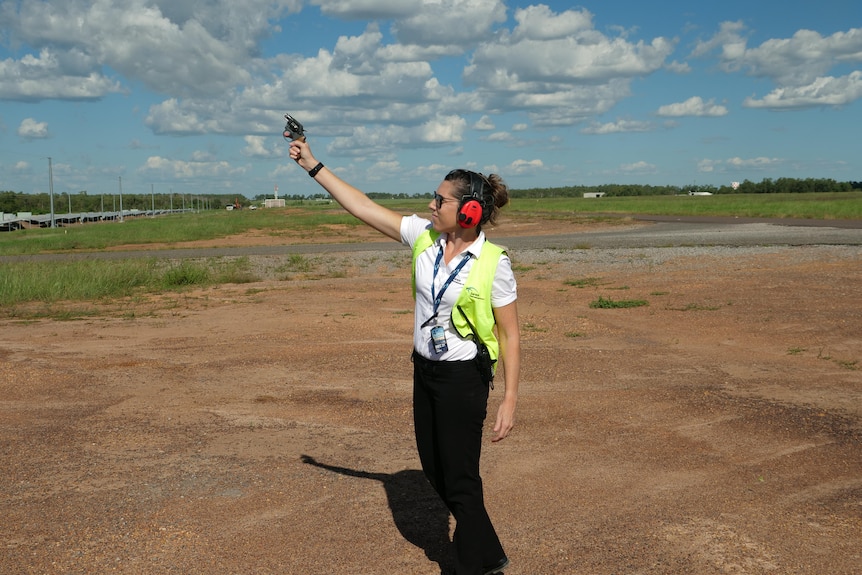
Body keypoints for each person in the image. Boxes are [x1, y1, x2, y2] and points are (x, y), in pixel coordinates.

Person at [289, 139, 520, 575]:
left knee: (461, 478)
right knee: (435, 469)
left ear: (468, 211)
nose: (430, 204)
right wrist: (312, 165)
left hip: (463, 379)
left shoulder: (493, 263)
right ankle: (486, 555)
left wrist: (509, 399)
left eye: (440, 199)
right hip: (426, 371)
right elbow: (362, 207)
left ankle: (482, 564)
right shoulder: (425, 238)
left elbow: (510, 335)